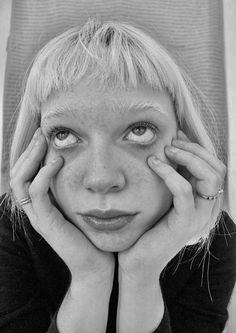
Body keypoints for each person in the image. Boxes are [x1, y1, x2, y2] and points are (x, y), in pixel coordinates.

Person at [0, 18, 235, 333]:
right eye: (64, 135)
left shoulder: (217, 240)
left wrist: (141, 275)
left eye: (140, 131)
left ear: (183, 143)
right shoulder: (9, 230)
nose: (101, 178)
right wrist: (90, 277)